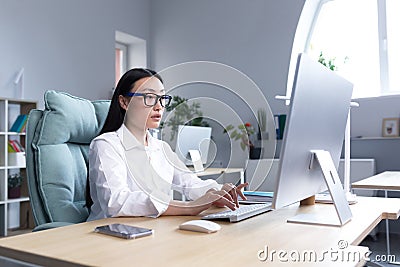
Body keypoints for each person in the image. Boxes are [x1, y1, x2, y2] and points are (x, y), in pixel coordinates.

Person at [86, 68, 247, 221]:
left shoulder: (161, 148)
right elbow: (116, 203)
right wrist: (188, 207)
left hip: (154, 230)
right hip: (110, 234)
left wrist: (217, 192)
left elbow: (189, 183)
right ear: (124, 102)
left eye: (162, 98)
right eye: (149, 97)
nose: (159, 106)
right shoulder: (107, 145)